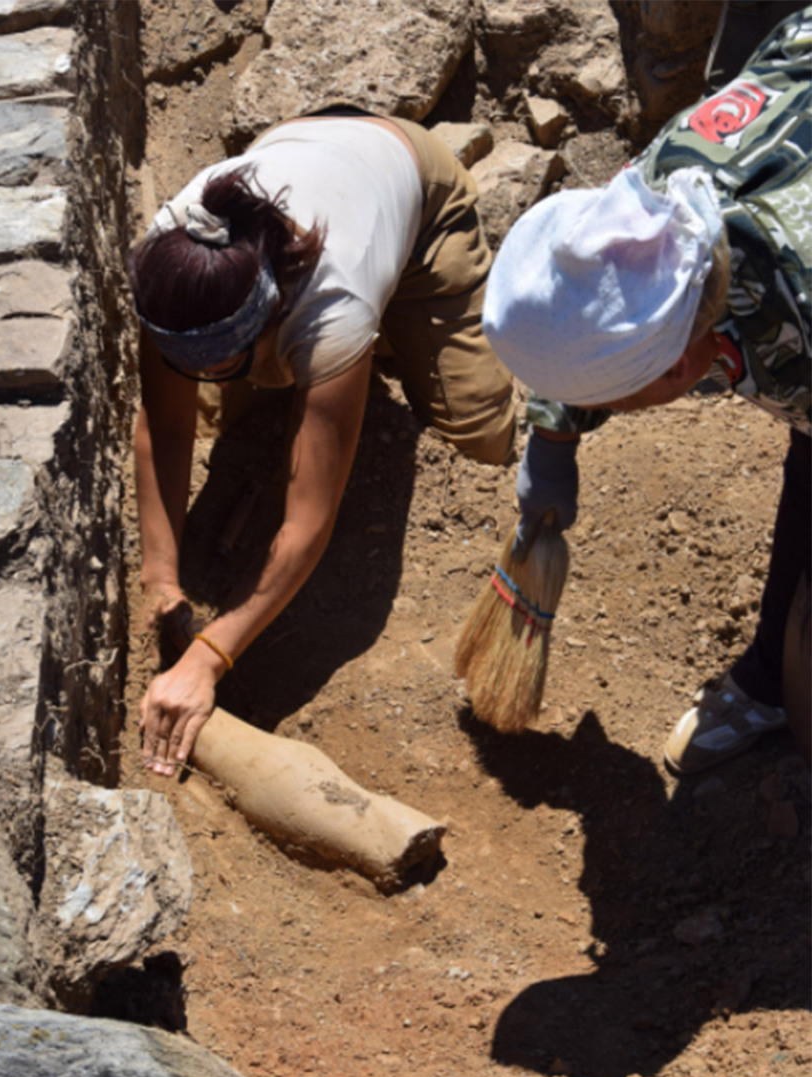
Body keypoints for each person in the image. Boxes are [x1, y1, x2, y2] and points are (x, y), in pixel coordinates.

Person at [129, 110, 518, 775]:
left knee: (485, 436)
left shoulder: (330, 305)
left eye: (219, 362)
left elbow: (308, 521)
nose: (198, 380)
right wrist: (159, 577)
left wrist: (207, 659)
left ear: (271, 308)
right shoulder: (176, 268)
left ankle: (404, 313)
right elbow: (166, 424)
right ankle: (355, 338)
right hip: (302, 158)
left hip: (413, 190)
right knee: (245, 404)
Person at [482, 6, 811, 774]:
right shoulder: (650, 204)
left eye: (614, 401)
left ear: (683, 370)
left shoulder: (791, 316)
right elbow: (590, 306)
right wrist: (552, 434)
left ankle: (772, 679)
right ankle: (768, 684)